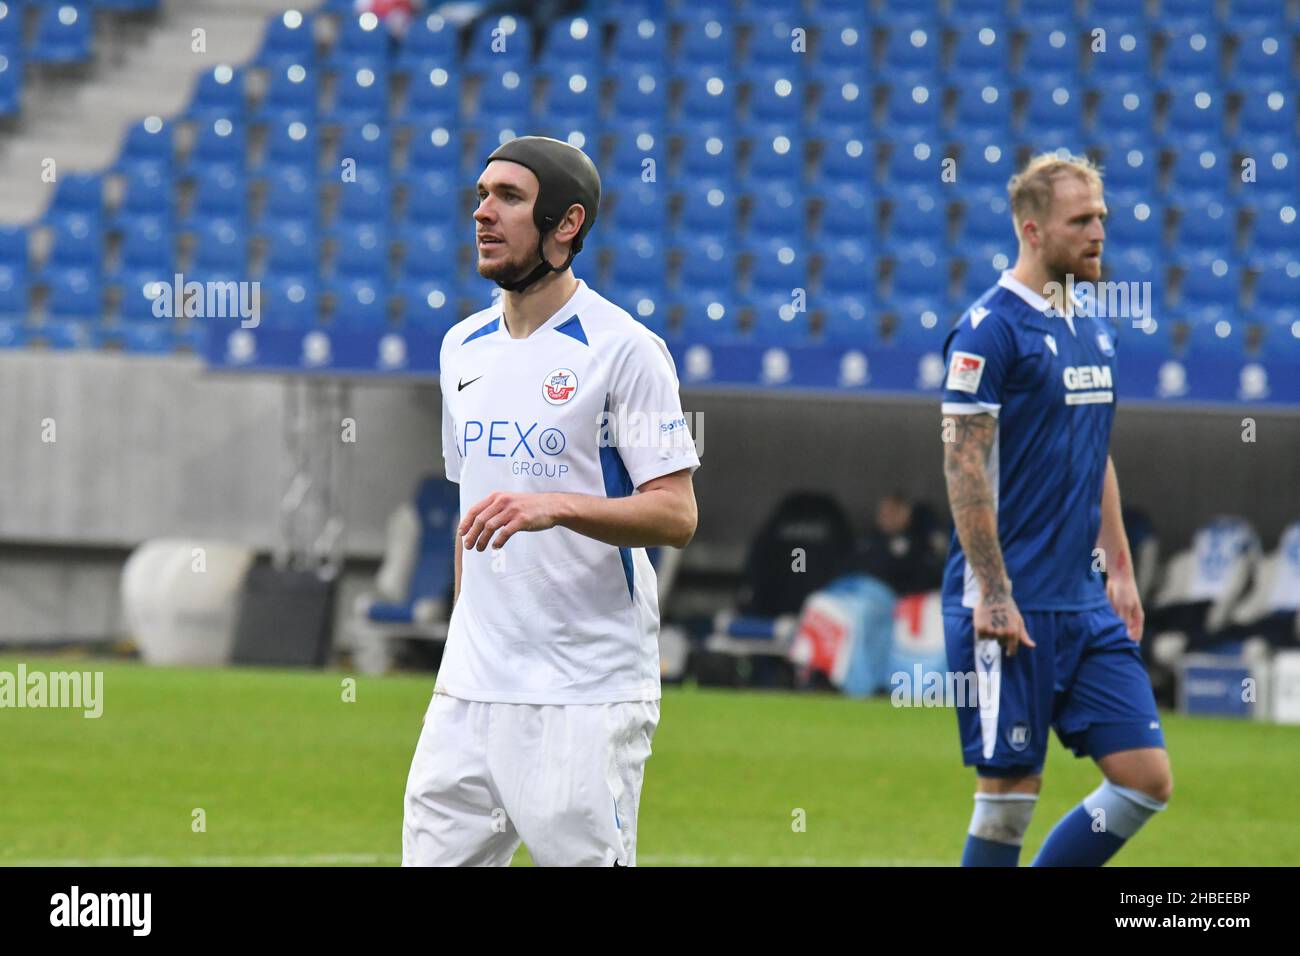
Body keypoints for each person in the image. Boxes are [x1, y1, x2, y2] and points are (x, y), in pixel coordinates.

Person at [402, 136, 701, 867]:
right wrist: (462, 642)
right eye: (480, 195)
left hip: (585, 688)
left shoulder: (624, 349)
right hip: (470, 687)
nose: (483, 212)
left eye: (509, 197)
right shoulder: (461, 347)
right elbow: (474, 510)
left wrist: (557, 506)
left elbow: (676, 514)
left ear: (566, 225)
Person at [939, 152, 1173, 867]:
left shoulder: (1092, 327)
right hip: (1010, 600)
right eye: (1083, 219)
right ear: (1034, 230)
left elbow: (1093, 447)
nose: (1100, 231)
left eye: (1102, 215)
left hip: (1082, 600)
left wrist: (1122, 569)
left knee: (1144, 781)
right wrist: (996, 592)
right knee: (1010, 797)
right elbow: (963, 462)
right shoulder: (989, 330)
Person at [852, 492, 945, 595]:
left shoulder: (921, 544)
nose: (886, 518)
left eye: (892, 513)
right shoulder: (868, 542)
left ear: (906, 513)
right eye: (882, 513)